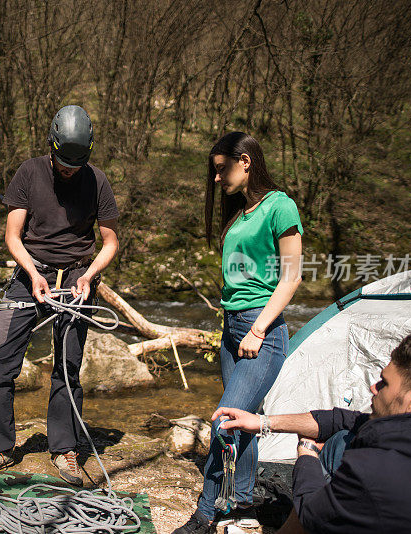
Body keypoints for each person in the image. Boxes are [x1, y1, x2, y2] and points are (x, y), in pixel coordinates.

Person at [0, 105, 119, 485]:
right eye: (64, 162)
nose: (69, 170)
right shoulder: (29, 172)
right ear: (51, 146)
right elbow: (13, 235)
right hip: (29, 274)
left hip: (78, 277)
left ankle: (65, 451)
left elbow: (110, 241)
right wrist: (32, 274)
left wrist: (90, 276)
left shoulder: (97, 181)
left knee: (68, 367)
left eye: (76, 163)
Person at [175, 132, 303, 533]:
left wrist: (259, 330)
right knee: (243, 420)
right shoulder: (241, 214)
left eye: (220, 169)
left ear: (245, 161)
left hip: (260, 332)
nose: (216, 179)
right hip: (233, 328)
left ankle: (206, 513)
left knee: (224, 421)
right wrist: (234, 327)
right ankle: (242, 499)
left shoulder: (280, 206)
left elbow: (292, 278)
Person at [211, 336, 411, 534]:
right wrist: (262, 422)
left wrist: (307, 457)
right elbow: (342, 420)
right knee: (340, 438)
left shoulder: (372, 471)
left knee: (336, 448)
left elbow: (313, 513)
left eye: (384, 384)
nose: (372, 387)